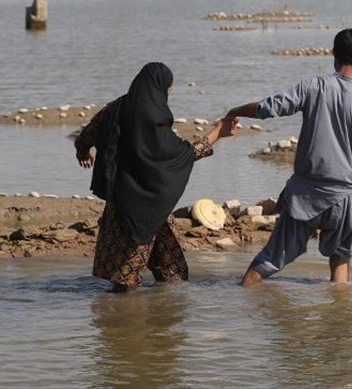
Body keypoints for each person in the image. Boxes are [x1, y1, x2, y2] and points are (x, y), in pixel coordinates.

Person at [225, 28, 352, 286]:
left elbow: (269, 107)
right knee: (341, 264)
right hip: (343, 200)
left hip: (304, 195)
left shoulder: (313, 87)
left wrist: (235, 111)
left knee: (270, 259)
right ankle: (339, 321)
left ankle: (239, 301)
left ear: (333, 54)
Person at [75, 62, 237, 292]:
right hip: (145, 210)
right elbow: (183, 156)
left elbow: (85, 137)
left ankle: (157, 318)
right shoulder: (155, 122)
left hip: (123, 205)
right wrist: (218, 132)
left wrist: (84, 152)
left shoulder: (113, 110)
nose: (167, 96)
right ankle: (134, 324)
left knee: (163, 273)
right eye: (168, 91)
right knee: (127, 285)